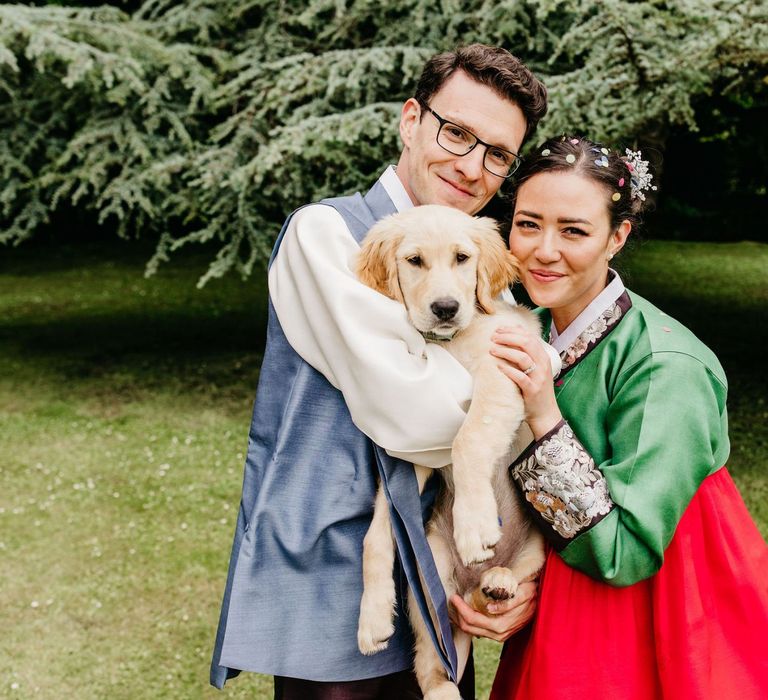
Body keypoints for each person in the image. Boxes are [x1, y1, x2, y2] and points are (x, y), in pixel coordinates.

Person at [210, 44, 548, 699]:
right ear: (410, 120)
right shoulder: (326, 236)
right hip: (332, 577)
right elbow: (413, 414)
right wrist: (494, 401)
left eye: (498, 153)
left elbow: (530, 413)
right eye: (457, 133)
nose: (472, 165)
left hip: (446, 580)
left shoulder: (476, 267)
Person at [451, 135, 768, 698]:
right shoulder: (528, 330)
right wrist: (522, 581)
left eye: (573, 230)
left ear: (616, 237)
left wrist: (545, 413)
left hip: (653, 618)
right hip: (562, 597)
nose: (543, 250)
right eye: (528, 224)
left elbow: (623, 551)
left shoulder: (667, 366)